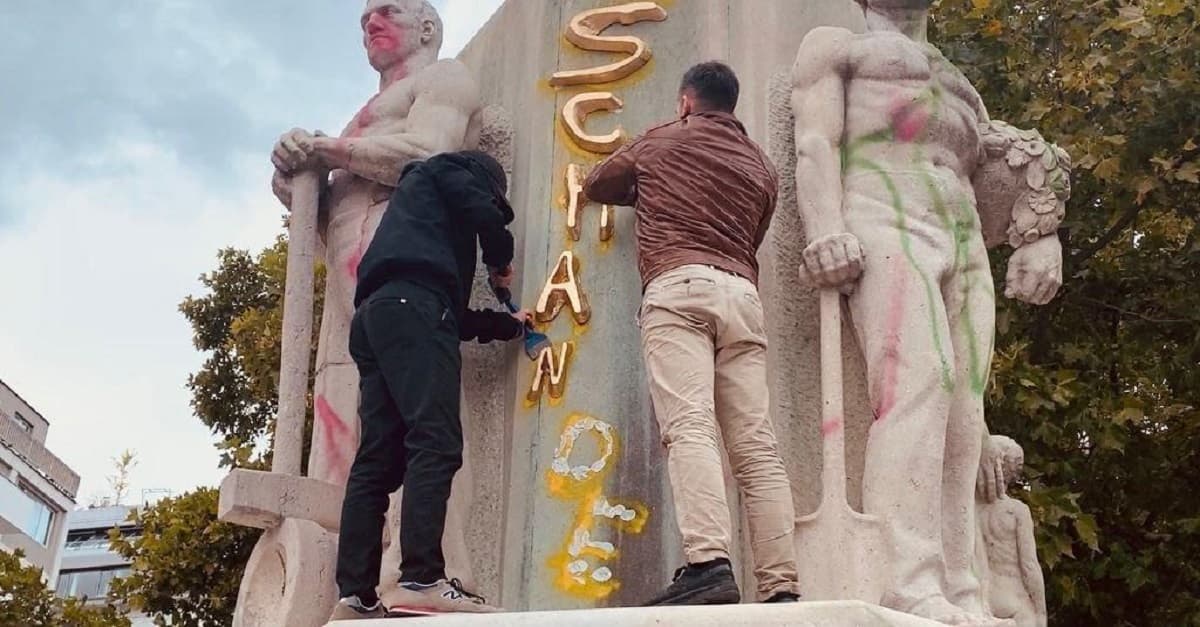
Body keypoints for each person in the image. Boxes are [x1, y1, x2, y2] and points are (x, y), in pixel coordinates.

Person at [789, 1, 1064, 623]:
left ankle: (959, 585)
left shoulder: (959, 79)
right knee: (919, 383)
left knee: (965, 411)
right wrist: (825, 229)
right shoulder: (838, 45)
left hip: (963, 238)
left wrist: (1040, 232)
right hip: (885, 213)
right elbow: (815, 141)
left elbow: (1012, 168)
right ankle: (904, 580)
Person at [584, 61, 802, 606]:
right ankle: (781, 585)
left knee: (691, 426)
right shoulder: (762, 166)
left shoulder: (660, 140)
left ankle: (708, 565)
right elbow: (754, 232)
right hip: (741, 296)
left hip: (679, 287)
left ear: (686, 101)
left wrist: (650, 189)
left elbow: (597, 183)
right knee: (757, 447)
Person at [329, 150, 528, 620]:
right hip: (413, 310)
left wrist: (510, 324)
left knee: (376, 461)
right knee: (436, 442)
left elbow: (448, 316)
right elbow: (483, 215)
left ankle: (356, 597)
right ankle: (421, 579)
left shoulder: (418, 224)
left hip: (376, 317)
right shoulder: (447, 171)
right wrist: (500, 262)